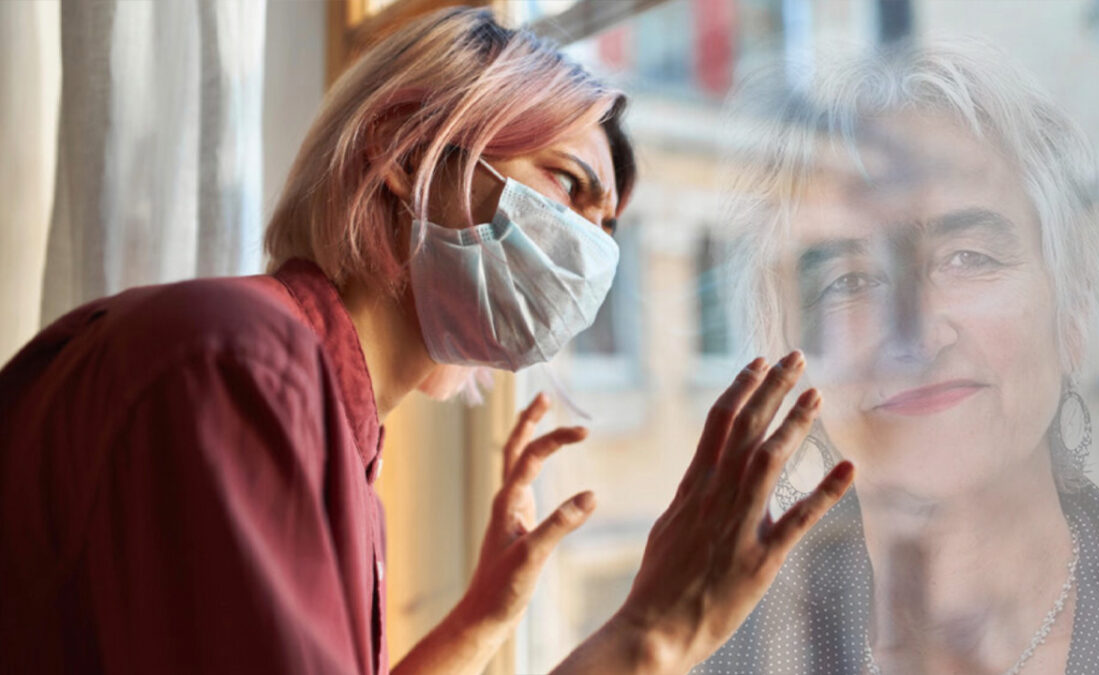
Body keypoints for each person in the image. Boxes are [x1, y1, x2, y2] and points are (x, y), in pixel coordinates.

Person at [0, 8, 855, 675]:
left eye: (606, 228)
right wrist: (653, 633)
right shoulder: (241, 366)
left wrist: (479, 620)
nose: (593, 252)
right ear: (405, 152)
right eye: (568, 184)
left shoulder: (312, 411)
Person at [695, 39, 1099, 674]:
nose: (914, 339)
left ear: (1071, 315)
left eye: (967, 258)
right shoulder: (718, 660)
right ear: (787, 364)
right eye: (849, 281)